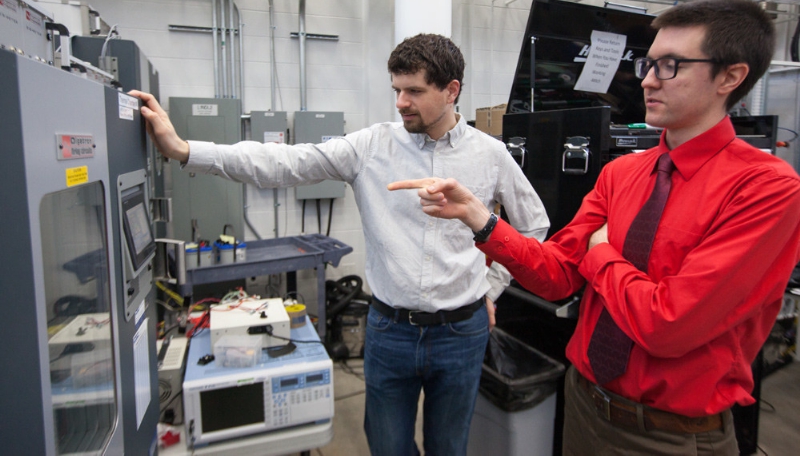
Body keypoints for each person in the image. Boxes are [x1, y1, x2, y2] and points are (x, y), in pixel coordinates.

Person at [389, 0, 800, 455]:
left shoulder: (766, 190)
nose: (646, 79)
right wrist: (481, 221)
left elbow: (669, 325)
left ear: (731, 76)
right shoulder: (622, 174)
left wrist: (602, 255)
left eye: (669, 66)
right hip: (584, 407)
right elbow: (557, 276)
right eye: (648, 63)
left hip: (671, 436)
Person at [130, 33, 549, 455]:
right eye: (397, 90)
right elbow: (283, 163)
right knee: (387, 446)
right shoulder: (370, 146)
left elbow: (534, 225)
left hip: (463, 330)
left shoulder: (491, 155)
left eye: (414, 91)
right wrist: (185, 151)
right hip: (390, 330)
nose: (401, 102)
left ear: (451, 90)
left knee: (449, 447)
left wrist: (492, 288)